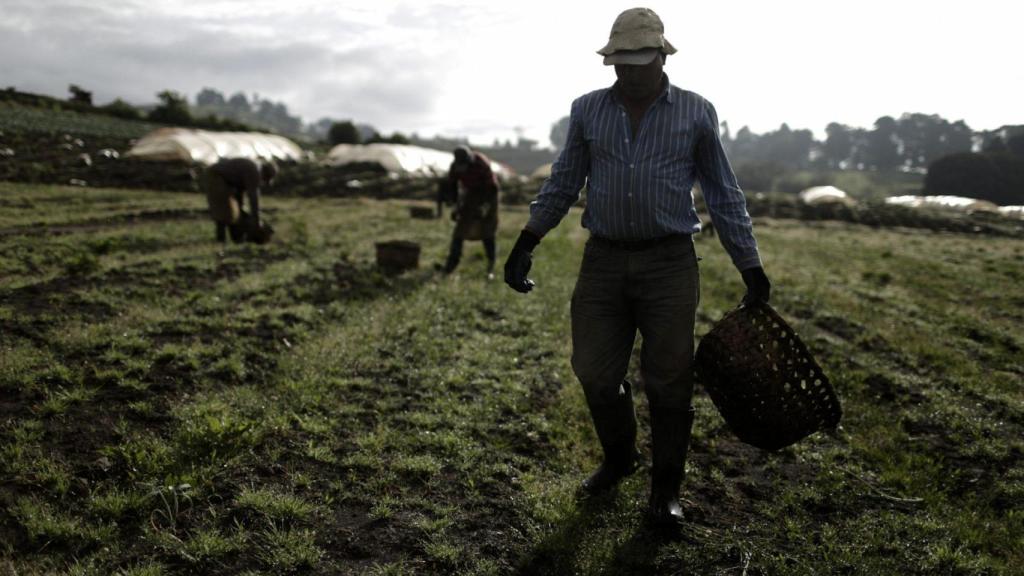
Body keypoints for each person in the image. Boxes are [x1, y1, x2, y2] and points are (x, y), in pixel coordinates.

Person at [503, 7, 771, 529]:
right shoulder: (587, 110)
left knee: (670, 378)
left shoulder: (695, 112)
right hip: (603, 260)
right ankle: (620, 459)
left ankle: (666, 490)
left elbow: (723, 191)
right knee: (595, 372)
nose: (627, 72)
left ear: (661, 58)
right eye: (619, 62)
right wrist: (526, 240)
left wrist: (750, 264)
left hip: (669, 263)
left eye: (638, 62)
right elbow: (563, 181)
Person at [441, 145, 500, 278]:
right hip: (471, 193)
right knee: (459, 230)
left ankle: (490, 266)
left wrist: (484, 208)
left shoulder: (481, 163)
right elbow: (453, 186)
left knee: (487, 229)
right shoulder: (454, 167)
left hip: (489, 193)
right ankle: (450, 265)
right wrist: (456, 207)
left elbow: (491, 187)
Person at [201, 157, 276, 244]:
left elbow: (240, 196)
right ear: (265, 174)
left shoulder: (253, 169)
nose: (262, 182)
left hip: (222, 179)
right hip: (216, 176)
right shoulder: (254, 172)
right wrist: (257, 223)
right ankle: (221, 240)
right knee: (225, 211)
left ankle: (235, 238)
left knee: (233, 211)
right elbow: (254, 200)